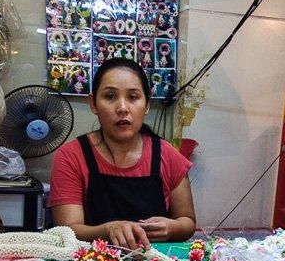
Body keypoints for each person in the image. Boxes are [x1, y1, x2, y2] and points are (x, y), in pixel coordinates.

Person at [49, 58, 196, 249]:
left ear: (147, 104)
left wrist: (172, 227)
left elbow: (188, 222)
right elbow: (67, 230)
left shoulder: (167, 155)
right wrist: (110, 229)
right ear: (93, 104)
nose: (123, 108)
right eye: (110, 97)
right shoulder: (71, 156)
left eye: (133, 97)